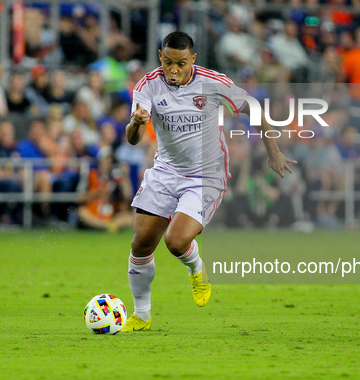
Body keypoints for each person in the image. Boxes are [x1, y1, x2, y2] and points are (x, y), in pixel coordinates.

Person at [122, 31, 296, 332]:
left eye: (180, 63)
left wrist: (274, 152)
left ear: (193, 59)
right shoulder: (148, 85)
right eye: (167, 62)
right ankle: (142, 316)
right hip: (165, 171)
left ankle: (197, 268)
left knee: (175, 241)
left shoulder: (212, 82)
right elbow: (134, 139)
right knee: (140, 245)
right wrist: (136, 124)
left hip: (206, 174)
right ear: (160, 57)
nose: (173, 70)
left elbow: (253, 109)